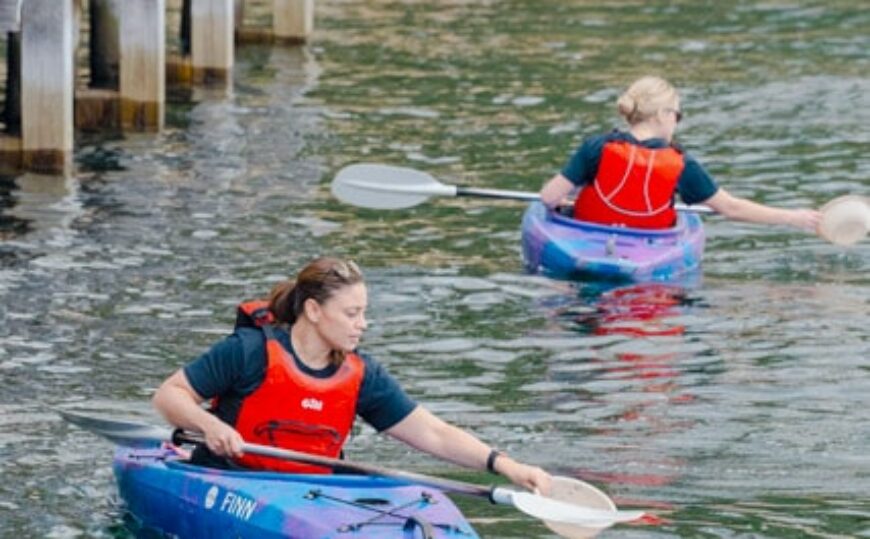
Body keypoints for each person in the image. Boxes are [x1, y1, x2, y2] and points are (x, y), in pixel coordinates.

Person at [153, 256, 551, 494]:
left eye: (364, 312)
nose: (362, 324)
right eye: (351, 313)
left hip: (314, 495)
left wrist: (506, 466)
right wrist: (207, 424)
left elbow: (433, 433)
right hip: (230, 483)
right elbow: (169, 395)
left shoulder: (361, 374)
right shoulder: (248, 351)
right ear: (313, 311)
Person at [540, 75, 821, 231]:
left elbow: (549, 197)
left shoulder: (596, 148)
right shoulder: (681, 164)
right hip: (648, 254)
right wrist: (793, 217)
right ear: (663, 114)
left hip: (589, 241)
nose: (677, 121)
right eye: (677, 114)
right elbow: (732, 208)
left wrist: (562, 203)